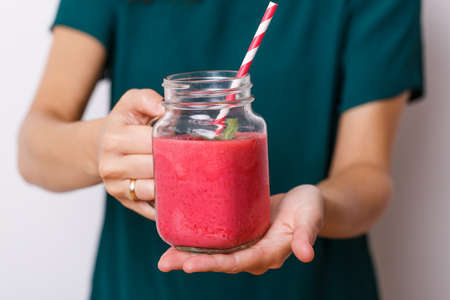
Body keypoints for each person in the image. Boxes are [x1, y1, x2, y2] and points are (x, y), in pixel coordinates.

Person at [18, 0, 424, 299]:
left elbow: (368, 173)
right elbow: (33, 149)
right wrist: (99, 147)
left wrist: (317, 204)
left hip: (312, 287)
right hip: (141, 286)